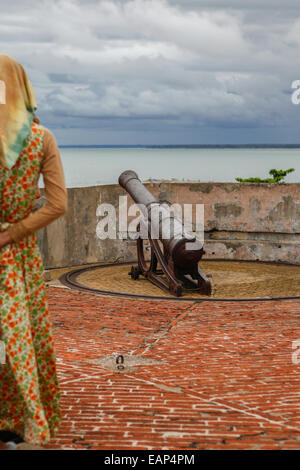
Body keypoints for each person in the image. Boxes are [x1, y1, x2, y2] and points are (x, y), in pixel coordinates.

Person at [0, 54, 67, 449]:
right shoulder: (41, 138)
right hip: (17, 254)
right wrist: (13, 233)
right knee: (19, 338)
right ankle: (17, 418)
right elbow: (57, 204)